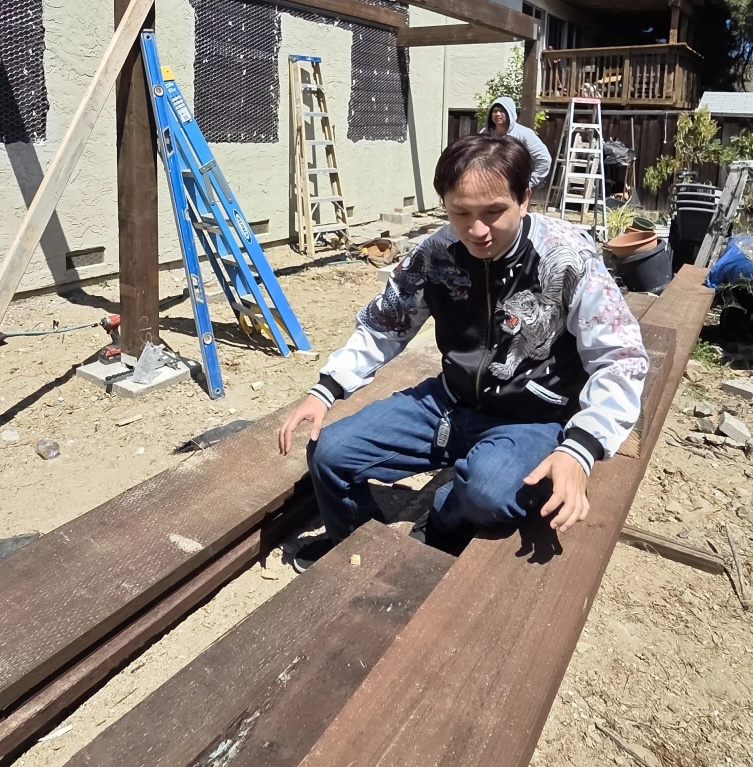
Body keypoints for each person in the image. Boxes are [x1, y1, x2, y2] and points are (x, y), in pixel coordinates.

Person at [277, 134, 647, 567]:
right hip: (449, 402)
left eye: (494, 212)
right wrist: (327, 388)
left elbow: (620, 357)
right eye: (460, 213)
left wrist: (580, 447)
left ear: (524, 198)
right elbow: (385, 324)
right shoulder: (436, 253)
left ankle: (440, 525)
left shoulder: (566, 257)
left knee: (489, 491)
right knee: (330, 452)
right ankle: (354, 545)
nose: (476, 230)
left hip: (533, 416)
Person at [483, 95, 552, 191]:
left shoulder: (524, 134)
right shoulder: (484, 133)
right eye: (495, 111)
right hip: (490, 188)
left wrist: (530, 183)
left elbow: (544, 159)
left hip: (516, 189)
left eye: (502, 111)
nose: (498, 114)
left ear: (510, 113)